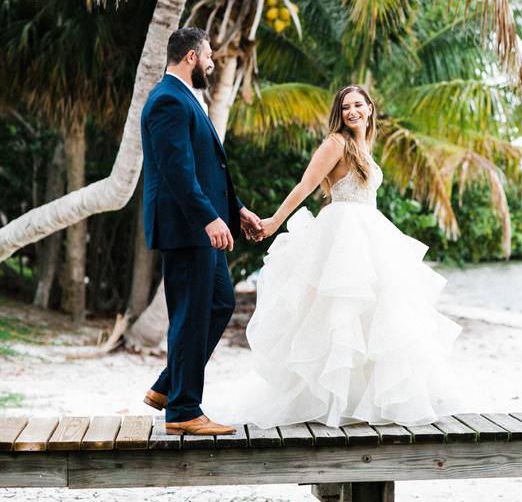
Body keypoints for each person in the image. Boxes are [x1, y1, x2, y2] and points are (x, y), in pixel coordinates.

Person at [225, 85, 465, 428]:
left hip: (371, 232)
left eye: (358, 104)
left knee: (379, 318)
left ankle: (363, 402)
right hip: (343, 233)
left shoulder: (365, 145)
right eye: (346, 106)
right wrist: (275, 222)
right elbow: (305, 186)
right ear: (340, 112)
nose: (352, 111)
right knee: (337, 316)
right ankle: (328, 403)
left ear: (369, 108)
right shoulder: (335, 143)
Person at [139, 27, 263, 435]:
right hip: (187, 229)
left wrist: (236, 209)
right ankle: (183, 411)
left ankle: (168, 385)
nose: (212, 62)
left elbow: (209, 170)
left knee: (219, 303)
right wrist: (208, 218)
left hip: (203, 224)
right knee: (191, 314)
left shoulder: (185, 99)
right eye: (208, 55)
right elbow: (177, 171)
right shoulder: (167, 101)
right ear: (191, 56)